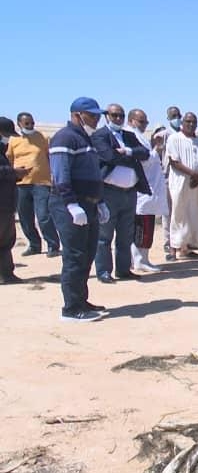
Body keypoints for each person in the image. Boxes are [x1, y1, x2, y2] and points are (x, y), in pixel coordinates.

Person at [48, 97, 112, 322]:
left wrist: (100, 201)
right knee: (74, 255)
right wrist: (71, 204)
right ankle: (71, 308)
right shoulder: (64, 138)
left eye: (97, 115)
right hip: (71, 204)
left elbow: (93, 173)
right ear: (77, 115)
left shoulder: (85, 138)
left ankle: (81, 300)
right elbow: (60, 173)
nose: (96, 119)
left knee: (87, 254)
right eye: (92, 115)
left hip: (90, 203)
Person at [91, 104, 152, 283]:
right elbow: (108, 157)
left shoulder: (129, 135)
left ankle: (124, 270)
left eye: (121, 116)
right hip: (110, 192)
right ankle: (103, 271)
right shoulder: (99, 135)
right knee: (105, 236)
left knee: (126, 235)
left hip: (130, 192)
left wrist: (128, 151)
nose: (118, 119)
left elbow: (145, 153)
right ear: (107, 116)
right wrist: (131, 158)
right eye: (115, 115)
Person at [8, 112, 60, 257]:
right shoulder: (13, 140)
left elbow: (50, 158)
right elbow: (9, 160)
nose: (30, 126)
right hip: (20, 184)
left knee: (43, 215)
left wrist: (54, 176)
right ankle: (34, 244)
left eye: (32, 123)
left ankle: (53, 245)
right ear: (19, 124)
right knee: (25, 217)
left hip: (41, 182)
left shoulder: (43, 138)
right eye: (27, 124)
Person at [166, 112, 198, 260]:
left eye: (194, 122)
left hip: (197, 184)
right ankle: (174, 248)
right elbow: (174, 161)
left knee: (194, 213)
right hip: (181, 182)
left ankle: (187, 248)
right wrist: (193, 174)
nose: (191, 124)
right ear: (182, 122)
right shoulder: (174, 139)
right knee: (178, 213)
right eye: (188, 121)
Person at [126, 111, 167, 273]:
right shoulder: (131, 135)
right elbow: (144, 160)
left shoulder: (140, 136)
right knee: (141, 228)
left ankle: (142, 259)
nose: (144, 125)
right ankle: (138, 260)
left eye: (146, 122)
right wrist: (156, 149)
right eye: (141, 122)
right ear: (132, 121)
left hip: (150, 190)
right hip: (142, 191)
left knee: (146, 226)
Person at [1, 117, 29, 284]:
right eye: (6, 134)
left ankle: (6, 274)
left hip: (6, 203)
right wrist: (13, 172)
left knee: (6, 240)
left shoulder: (2, 149)